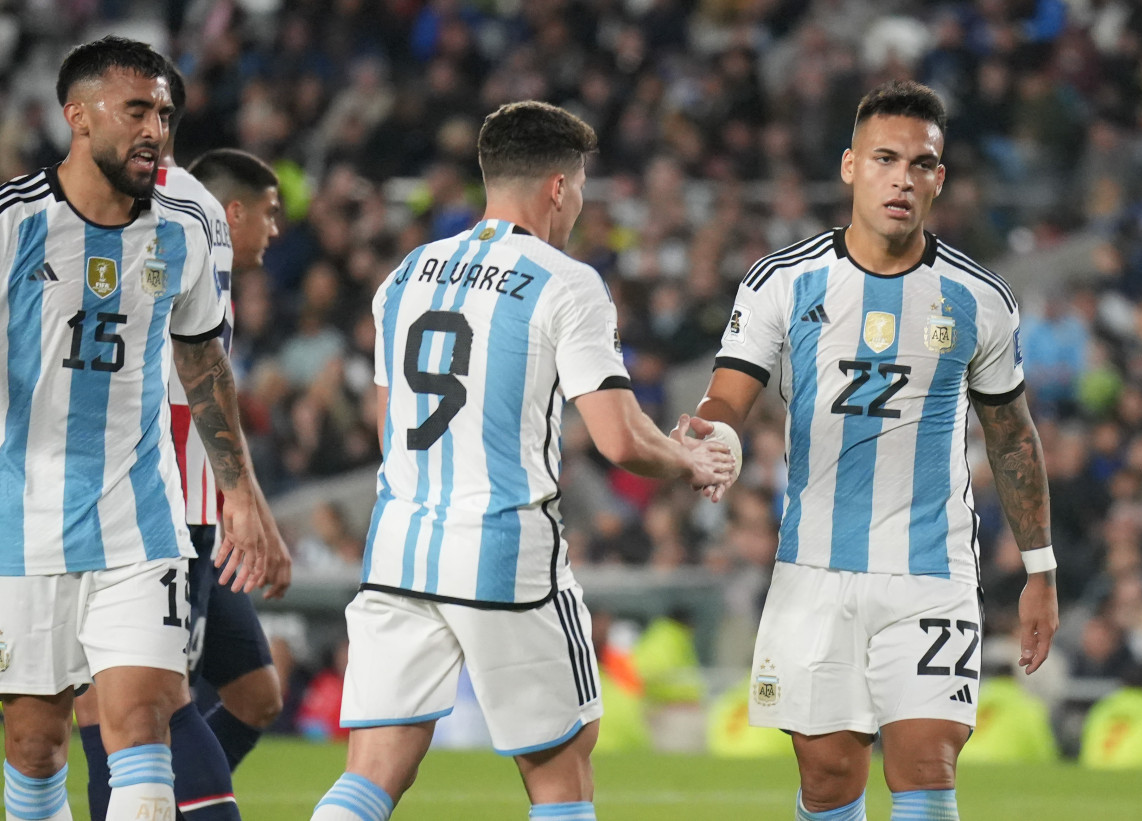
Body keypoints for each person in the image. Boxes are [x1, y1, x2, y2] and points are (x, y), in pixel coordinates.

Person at [310, 100, 735, 821]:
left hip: (400, 550)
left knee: (372, 773)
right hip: (503, 553)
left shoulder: (407, 274)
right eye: (582, 190)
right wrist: (690, 459)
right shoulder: (566, 282)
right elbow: (620, 439)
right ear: (558, 189)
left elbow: (390, 425)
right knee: (563, 765)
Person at [692, 79, 1059, 821]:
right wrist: (716, 435)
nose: (903, 178)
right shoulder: (783, 282)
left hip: (932, 567)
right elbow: (728, 393)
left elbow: (1013, 435)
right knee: (828, 777)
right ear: (850, 166)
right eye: (885, 158)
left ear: (939, 179)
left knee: (927, 761)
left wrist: (1042, 569)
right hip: (814, 568)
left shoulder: (977, 298)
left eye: (921, 164)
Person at [0, 36, 272, 821]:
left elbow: (204, 361)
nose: (156, 128)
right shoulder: (15, 226)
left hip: (137, 513)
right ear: (77, 118)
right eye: (136, 110)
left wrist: (240, 491)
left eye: (163, 111)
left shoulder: (186, 224)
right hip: (25, 517)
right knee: (35, 742)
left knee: (143, 716)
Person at [74, 114, 291, 819]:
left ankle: (158, 802)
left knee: (252, 693)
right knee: (142, 696)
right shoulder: (182, 210)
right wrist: (240, 497)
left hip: (197, 498)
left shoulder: (183, 227)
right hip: (161, 501)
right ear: (232, 213)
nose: (276, 230)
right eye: (269, 212)